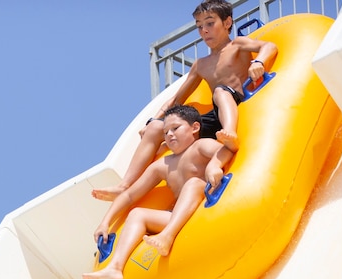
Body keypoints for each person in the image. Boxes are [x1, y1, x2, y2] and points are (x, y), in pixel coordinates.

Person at [91, 0, 277, 202]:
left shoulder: (237, 45)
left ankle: (230, 131)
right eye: (199, 27)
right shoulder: (201, 64)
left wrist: (259, 61)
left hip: (238, 101)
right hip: (216, 115)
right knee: (155, 128)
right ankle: (124, 185)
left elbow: (269, 46)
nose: (204, 31)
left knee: (220, 92)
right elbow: (178, 98)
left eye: (209, 23)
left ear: (227, 22)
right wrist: (154, 121)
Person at [82, 105, 234, 279]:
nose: (169, 135)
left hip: (206, 206)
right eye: (165, 132)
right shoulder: (162, 166)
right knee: (137, 214)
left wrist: (214, 166)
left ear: (194, 128)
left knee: (193, 183)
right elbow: (129, 195)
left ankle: (167, 236)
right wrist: (105, 223)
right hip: (179, 217)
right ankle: (115, 268)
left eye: (175, 128)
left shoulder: (201, 146)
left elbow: (225, 150)